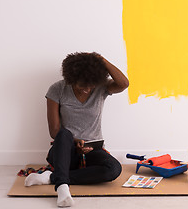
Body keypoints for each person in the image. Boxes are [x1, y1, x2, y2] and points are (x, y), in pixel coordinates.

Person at [24, 52, 129, 207]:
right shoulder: (57, 89)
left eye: (91, 85)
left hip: (93, 148)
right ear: (71, 79)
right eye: (82, 85)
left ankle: (52, 178)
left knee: (114, 169)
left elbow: (123, 83)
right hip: (65, 149)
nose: (87, 89)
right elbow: (54, 131)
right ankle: (62, 188)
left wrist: (101, 60)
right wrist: (75, 142)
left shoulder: (100, 88)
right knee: (64, 133)